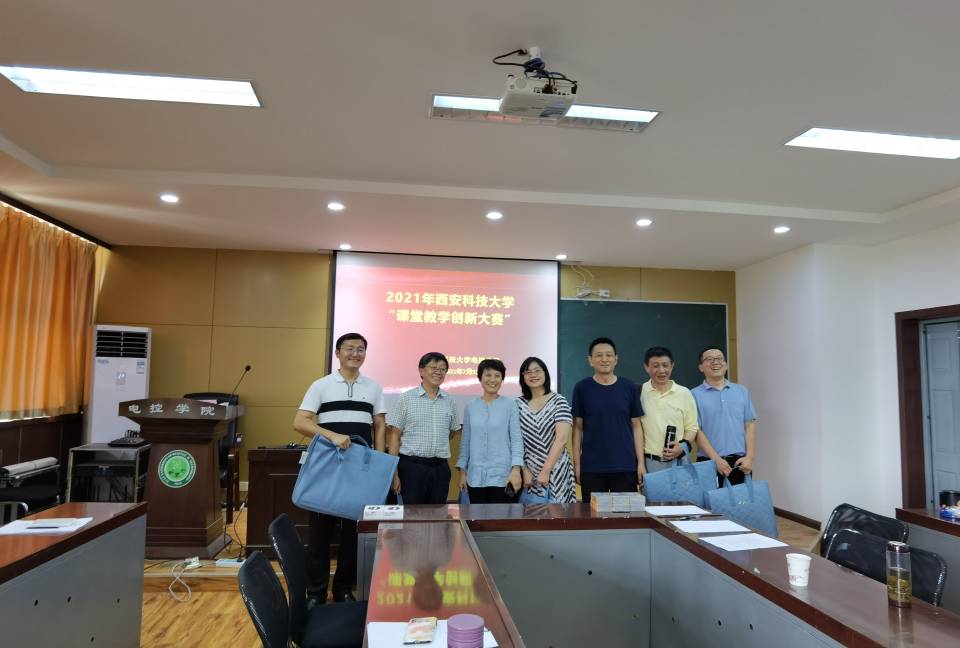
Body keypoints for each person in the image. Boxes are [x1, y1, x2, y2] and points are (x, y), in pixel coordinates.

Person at [292, 332, 386, 604]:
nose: (355, 354)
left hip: (359, 470)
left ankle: (344, 588)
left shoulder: (374, 387)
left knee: (353, 534)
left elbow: (379, 426)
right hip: (327, 467)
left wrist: (379, 463)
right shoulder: (321, 385)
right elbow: (300, 421)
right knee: (320, 534)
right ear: (338, 353)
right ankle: (316, 593)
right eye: (349, 348)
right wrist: (331, 435)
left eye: (361, 349)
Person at [572, 337, 645, 503]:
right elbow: (577, 428)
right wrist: (578, 465)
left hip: (625, 465)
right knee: (592, 516)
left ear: (616, 359)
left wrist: (640, 463)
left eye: (609, 355)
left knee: (626, 515)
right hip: (592, 467)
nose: (604, 359)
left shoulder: (629, 387)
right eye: (599, 355)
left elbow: (636, 426)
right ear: (590, 360)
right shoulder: (581, 388)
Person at [387, 352, 461, 504]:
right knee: (411, 514)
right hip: (412, 468)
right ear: (421, 370)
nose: (438, 372)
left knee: (438, 513)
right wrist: (394, 473)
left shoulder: (449, 400)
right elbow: (394, 435)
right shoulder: (406, 398)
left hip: (440, 468)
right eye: (433, 367)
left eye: (442, 369)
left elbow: (452, 432)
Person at [456, 358, 523, 503]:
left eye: (497, 376)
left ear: (502, 379)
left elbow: (517, 440)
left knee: (500, 517)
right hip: (475, 477)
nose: (492, 379)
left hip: (503, 477)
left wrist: (516, 470)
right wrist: (462, 472)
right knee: (476, 516)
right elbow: (465, 443)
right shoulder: (470, 407)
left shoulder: (511, 404)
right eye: (488, 375)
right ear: (480, 378)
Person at [691, 346, 758, 488]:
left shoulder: (742, 391)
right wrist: (716, 460)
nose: (715, 362)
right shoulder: (693, 395)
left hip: (740, 463)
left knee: (741, 502)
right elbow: (696, 431)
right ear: (701, 367)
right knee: (708, 502)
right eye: (709, 359)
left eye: (719, 358)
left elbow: (750, 425)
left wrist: (750, 457)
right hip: (708, 462)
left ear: (726, 365)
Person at [517, 356, 577, 503]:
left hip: (557, 469)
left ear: (545, 373)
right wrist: (524, 469)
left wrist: (546, 470)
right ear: (523, 377)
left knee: (558, 514)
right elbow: (515, 441)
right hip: (529, 472)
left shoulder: (559, 401)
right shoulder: (517, 404)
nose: (533, 375)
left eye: (537, 370)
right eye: (528, 372)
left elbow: (562, 439)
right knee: (532, 514)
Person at [639, 346, 700, 475]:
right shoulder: (639, 393)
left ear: (672, 366)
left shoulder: (684, 393)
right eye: (655, 366)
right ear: (646, 367)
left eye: (665, 365)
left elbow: (692, 427)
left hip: (679, 462)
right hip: (649, 463)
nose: (661, 370)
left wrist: (682, 446)